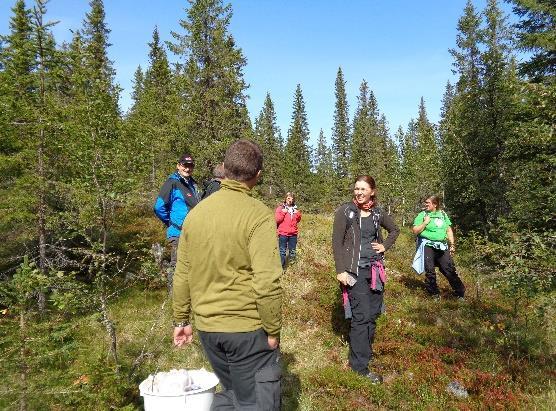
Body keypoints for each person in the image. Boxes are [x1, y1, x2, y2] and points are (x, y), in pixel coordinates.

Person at [172, 140, 283, 410]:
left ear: (227, 169)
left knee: (233, 394)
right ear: (258, 175)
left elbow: (183, 273)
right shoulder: (257, 215)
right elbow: (267, 282)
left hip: (209, 331)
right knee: (254, 402)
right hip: (247, 329)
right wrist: (272, 329)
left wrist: (181, 320)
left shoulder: (196, 214)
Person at [332, 175, 399, 383]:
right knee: (361, 318)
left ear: (372, 191)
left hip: (375, 271)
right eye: (356, 189)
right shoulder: (346, 211)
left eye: (363, 189)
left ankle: (365, 354)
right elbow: (337, 242)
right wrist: (341, 270)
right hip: (355, 272)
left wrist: (384, 245)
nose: (359, 193)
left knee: (372, 314)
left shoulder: (378, 212)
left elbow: (395, 230)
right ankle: (358, 367)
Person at [153, 154, 201, 290]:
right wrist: (171, 221)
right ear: (178, 166)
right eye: (185, 165)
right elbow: (158, 207)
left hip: (193, 233)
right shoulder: (172, 183)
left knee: (192, 266)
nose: (188, 168)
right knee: (178, 266)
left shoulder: (192, 183)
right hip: (178, 232)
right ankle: (173, 298)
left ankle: (188, 296)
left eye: (191, 166)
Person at [411, 195, 465, 300]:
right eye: (425, 203)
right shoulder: (422, 215)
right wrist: (425, 222)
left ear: (435, 204)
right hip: (427, 245)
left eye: (428, 203)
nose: (425, 204)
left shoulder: (443, 215)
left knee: (448, 269)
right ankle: (434, 293)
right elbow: (415, 230)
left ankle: (460, 293)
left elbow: (448, 230)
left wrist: (452, 244)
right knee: (430, 269)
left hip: (442, 245)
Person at [275, 192, 302, 269]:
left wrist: (298, 214)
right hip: (283, 234)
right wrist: (283, 213)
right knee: (282, 251)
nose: (290, 200)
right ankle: (281, 268)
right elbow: (277, 220)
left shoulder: (295, 209)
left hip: (293, 234)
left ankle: (292, 268)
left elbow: (298, 220)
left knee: (292, 251)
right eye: (289, 198)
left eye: (292, 199)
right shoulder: (280, 208)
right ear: (285, 199)